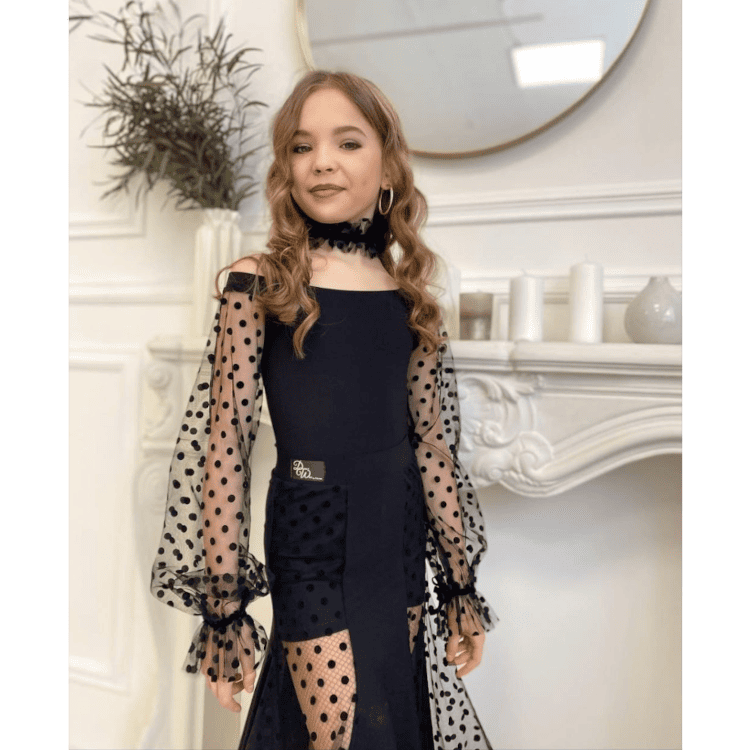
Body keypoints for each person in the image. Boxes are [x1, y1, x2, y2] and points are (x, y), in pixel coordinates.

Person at [150, 70, 499, 750]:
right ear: (286, 168)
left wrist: (459, 585)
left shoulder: (411, 296)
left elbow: (432, 446)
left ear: (388, 165)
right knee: (337, 729)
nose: (322, 163)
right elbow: (224, 444)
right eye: (303, 147)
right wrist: (224, 611)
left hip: (395, 530)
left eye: (347, 142)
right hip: (310, 530)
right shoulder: (262, 282)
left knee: (387, 724)